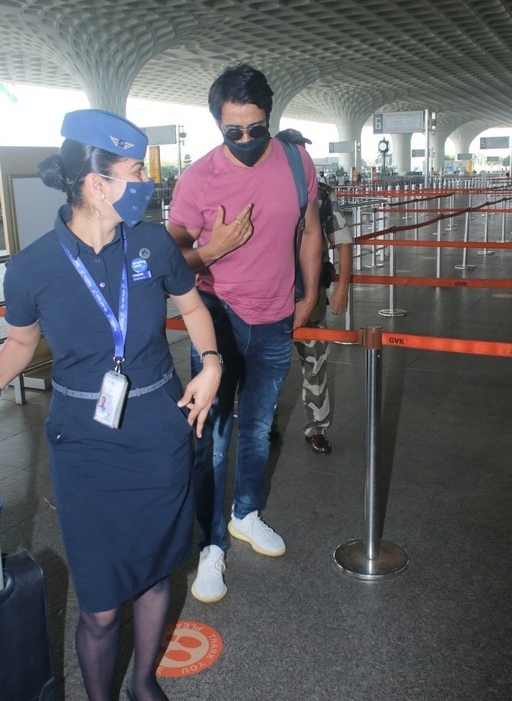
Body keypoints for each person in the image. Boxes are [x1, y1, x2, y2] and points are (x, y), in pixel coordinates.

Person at [0, 109, 222, 701]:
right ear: (97, 182)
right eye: (134, 171)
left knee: (154, 575)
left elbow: (194, 309)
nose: (147, 183)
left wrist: (212, 363)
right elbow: (20, 345)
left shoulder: (152, 243)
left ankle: (143, 682)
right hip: (86, 443)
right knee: (99, 605)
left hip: (159, 431)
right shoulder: (31, 267)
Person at [167, 63, 322, 604]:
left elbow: (310, 228)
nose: (248, 139)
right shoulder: (198, 178)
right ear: (218, 124)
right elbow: (173, 257)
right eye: (235, 131)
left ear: (269, 116)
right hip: (219, 316)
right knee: (214, 436)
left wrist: (308, 295)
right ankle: (211, 545)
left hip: (276, 316)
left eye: (257, 127)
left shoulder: (298, 161)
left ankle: (245, 514)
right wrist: (214, 249)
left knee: (257, 429)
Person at [275, 129, 353, 454]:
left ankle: (316, 428)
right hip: (269, 299)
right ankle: (265, 424)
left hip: (311, 300)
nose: (300, 158)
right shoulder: (262, 189)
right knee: (267, 370)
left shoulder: (320, 196)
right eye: (293, 152)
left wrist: (342, 288)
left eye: (303, 152)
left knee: (315, 366)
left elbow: (344, 242)